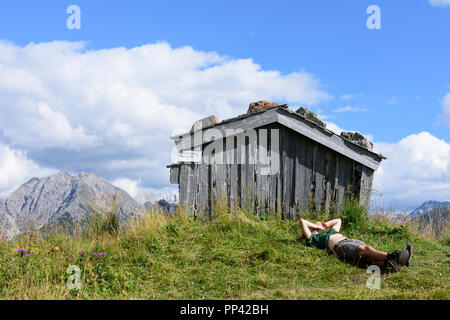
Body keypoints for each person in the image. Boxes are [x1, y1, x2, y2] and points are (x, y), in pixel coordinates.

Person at [300, 218, 413, 272]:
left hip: (349, 240)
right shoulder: (313, 238)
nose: (320, 223)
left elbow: (338, 221)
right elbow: (302, 221)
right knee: (366, 249)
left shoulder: (330, 232)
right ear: (312, 228)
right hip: (340, 246)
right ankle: (395, 256)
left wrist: (327, 224)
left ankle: (394, 264)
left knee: (369, 256)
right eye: (316, 224)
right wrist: (317, 227)